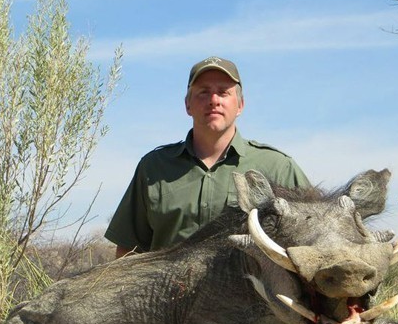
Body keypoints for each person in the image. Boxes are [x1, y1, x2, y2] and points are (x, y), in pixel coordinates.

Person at [105, 56, 310, 258]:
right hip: (166, 291)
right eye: (203, 92)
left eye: (223, 92)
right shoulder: (153, 168)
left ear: (240, 105)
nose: (214, 100)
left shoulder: (278, 167)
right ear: (187, 105)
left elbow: (311, 237)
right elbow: (127, 252)